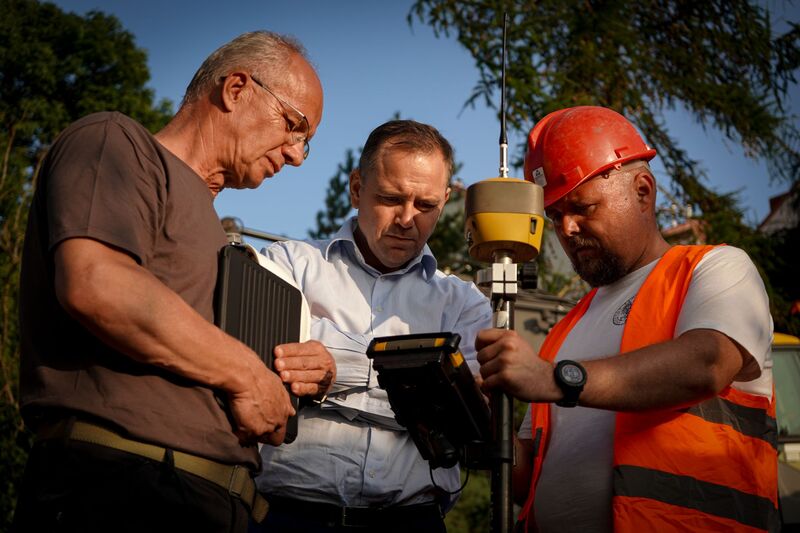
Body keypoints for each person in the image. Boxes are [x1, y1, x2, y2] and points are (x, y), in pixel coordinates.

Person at [13, 31, 335, 533]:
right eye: (294, 126)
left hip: (213, 504)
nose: (295, 155)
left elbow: (221, 367)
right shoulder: (115, 141)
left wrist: (296, 375)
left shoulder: (220, 239)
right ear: (235, 89)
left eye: (305, 144)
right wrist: (246, 375)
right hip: (122, 488)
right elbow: (97, 283)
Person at [475, 106, 778, 532]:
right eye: (555, 215)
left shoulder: (716, 268)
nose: (568, 228)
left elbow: (706, 364)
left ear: (642, 190)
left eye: (582, 206)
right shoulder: (563, 331)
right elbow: (526, 481)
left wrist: (555, 379)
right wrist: (483, 419)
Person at [250, 120, 493, 532]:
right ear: (357, 188)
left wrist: (333, 368)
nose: (406, 218)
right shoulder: (287, 265)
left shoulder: (466, 304)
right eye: (391, 198)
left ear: (446, 200)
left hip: (412, 521)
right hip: (286, 515)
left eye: (426, 205)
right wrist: (419, 382)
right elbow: (264, 373)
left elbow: (462, 424)